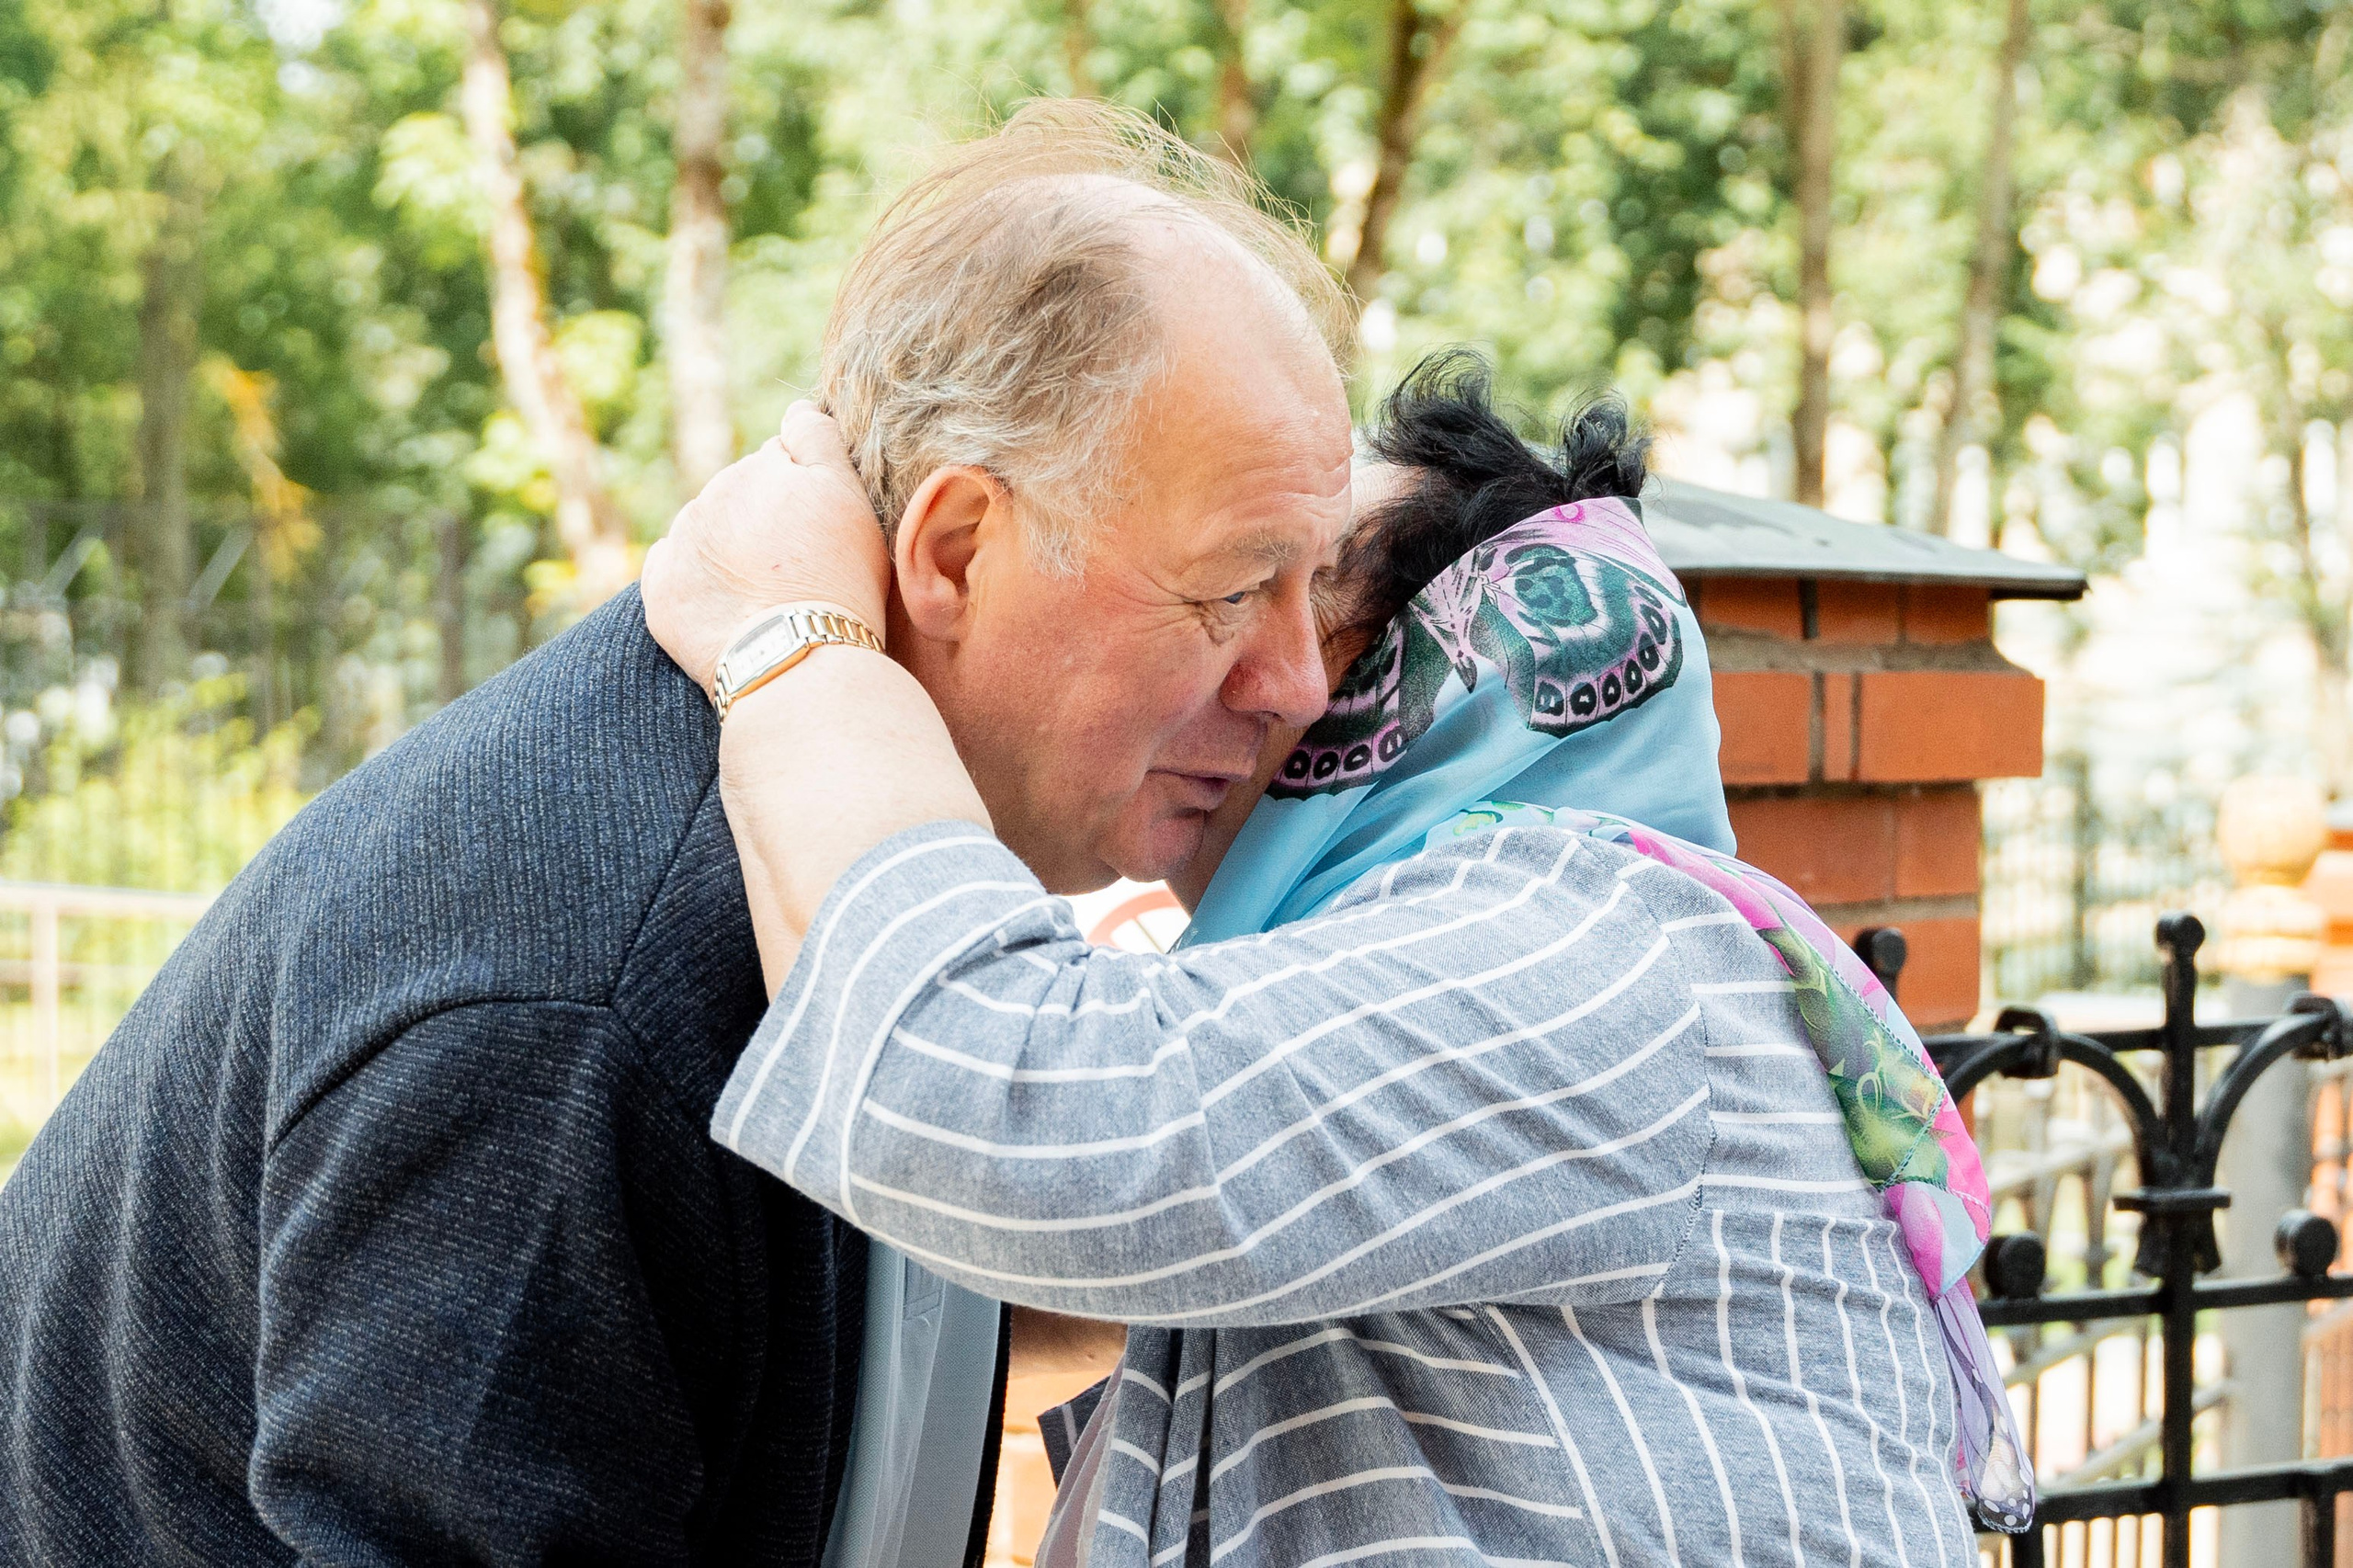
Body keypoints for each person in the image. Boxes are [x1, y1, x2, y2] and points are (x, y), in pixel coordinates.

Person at [0, 100, 1353, 1565]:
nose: (1297, 682)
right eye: (1234, 587)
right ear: (958, 549)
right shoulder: (583, 998)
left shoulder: (840, 871)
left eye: (1314, 589)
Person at [640, 352, 2032, 1565]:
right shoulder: (1500, 954)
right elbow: (1032, 1273)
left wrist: (796, 644)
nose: (1271, 668)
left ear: (1448, 656)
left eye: (1300, 596)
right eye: (1238, 594)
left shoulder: (1591, 941)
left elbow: (1009, 1104)